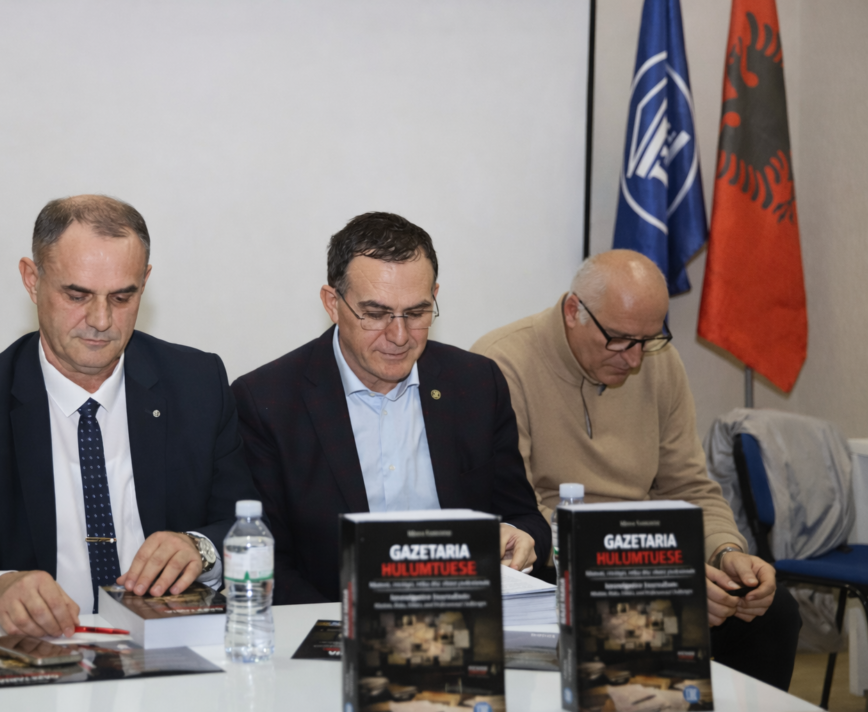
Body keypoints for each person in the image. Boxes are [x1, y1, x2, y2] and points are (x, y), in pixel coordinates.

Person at [0, 196, 259, 637]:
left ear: (145, 283)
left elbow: (248, 526)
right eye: (77, 295)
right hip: (39, 653)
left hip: (170, 643)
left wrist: (199, 548)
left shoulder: (197, 383)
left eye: (122, 297)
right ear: (32, 279)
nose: (101, 320)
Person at [471, 249, 802, 690]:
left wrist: (726, 553)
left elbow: (690, 488)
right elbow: (518, 512)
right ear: (573, 311)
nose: (635, 359)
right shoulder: (501, 363)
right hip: (558, 562)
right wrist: (657, 572)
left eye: (648, 340)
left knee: (772, 612)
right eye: (620, 339)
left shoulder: (660, 363)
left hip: (650, 555)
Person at [231, 212, 549, 605]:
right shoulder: (268, 401)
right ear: (333, 303)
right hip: (334, 622)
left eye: (416, 313)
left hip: (463, 615)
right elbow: (267, 561)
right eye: (376, 314)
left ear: (434, 296)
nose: (399, 336)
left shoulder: (476, 384)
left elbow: (524, 516)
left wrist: (524, 536)